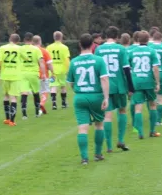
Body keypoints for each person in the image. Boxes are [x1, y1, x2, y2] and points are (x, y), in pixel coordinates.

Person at [67, 33, 110, 165]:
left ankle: (84, 158)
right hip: (96, 95)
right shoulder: (99, 60)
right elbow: (104, 79)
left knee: (82, 128)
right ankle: (97, 154)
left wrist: (78, 91)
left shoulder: (74, 62)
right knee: (99, 124)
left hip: (80, 97)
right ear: (92, 45)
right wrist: (106, 97)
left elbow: (71, 82)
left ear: (79, 45)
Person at [94, 26, 134, 153]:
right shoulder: (121, 49)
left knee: (107, 116)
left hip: (105, 86)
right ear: (117, 37)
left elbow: (96, 70)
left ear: (106, 36)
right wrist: (130, 87)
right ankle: (121, 139)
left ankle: (109, 146)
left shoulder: (99, 49)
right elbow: (126, 69)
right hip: (119, 85)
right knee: (122, 111)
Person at [128, 31, 161, 139]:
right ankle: (152, 131)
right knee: (152, 105)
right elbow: (155, 68)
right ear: (148, 40)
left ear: (137, 39)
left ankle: (140, 132)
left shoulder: (132, 52)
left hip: (136, 81)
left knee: (138, 108)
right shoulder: (152, 51)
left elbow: (128, 68)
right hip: (148, 81)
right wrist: (158, 82)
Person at [0, 34, 24, 126]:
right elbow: (26, 58)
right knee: (13, 98)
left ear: (9, 39)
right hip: (15, 75)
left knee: (6, 96)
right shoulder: (20, 48)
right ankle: (12, 120)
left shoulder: (2, 48)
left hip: (5, 75)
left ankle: (7, 118)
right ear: (18, 41)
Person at [19, 33, 46, 119]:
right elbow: (41, 62)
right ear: (32, 40)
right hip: (34, 73)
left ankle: (24, 114)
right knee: (36, 92)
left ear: (24, 40)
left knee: (24, 92)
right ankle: (37, 112)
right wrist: (44, 74)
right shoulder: (36, 49)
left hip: (23, 73)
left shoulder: (20, 49)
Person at [46, 31, 71, 110]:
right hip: (62, 70)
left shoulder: (49, 47)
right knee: (63, 86)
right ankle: (63, 103)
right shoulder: (64, 47)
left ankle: (54, 103)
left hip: (52, 70)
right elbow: (66, 59)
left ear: (54, 37)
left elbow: (47, 59)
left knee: (53, 86)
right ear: (61, 37)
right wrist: (68, 69)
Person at [33, 35, 54, 115]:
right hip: (43, 74)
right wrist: (53, 73)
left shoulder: (30, 51)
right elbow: (49, 64)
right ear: (40, 41)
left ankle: (38, 108)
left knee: (36, 92)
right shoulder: (44, 51)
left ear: (32, 42)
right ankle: (41, 103)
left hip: (34, 75)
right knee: (45, 91)